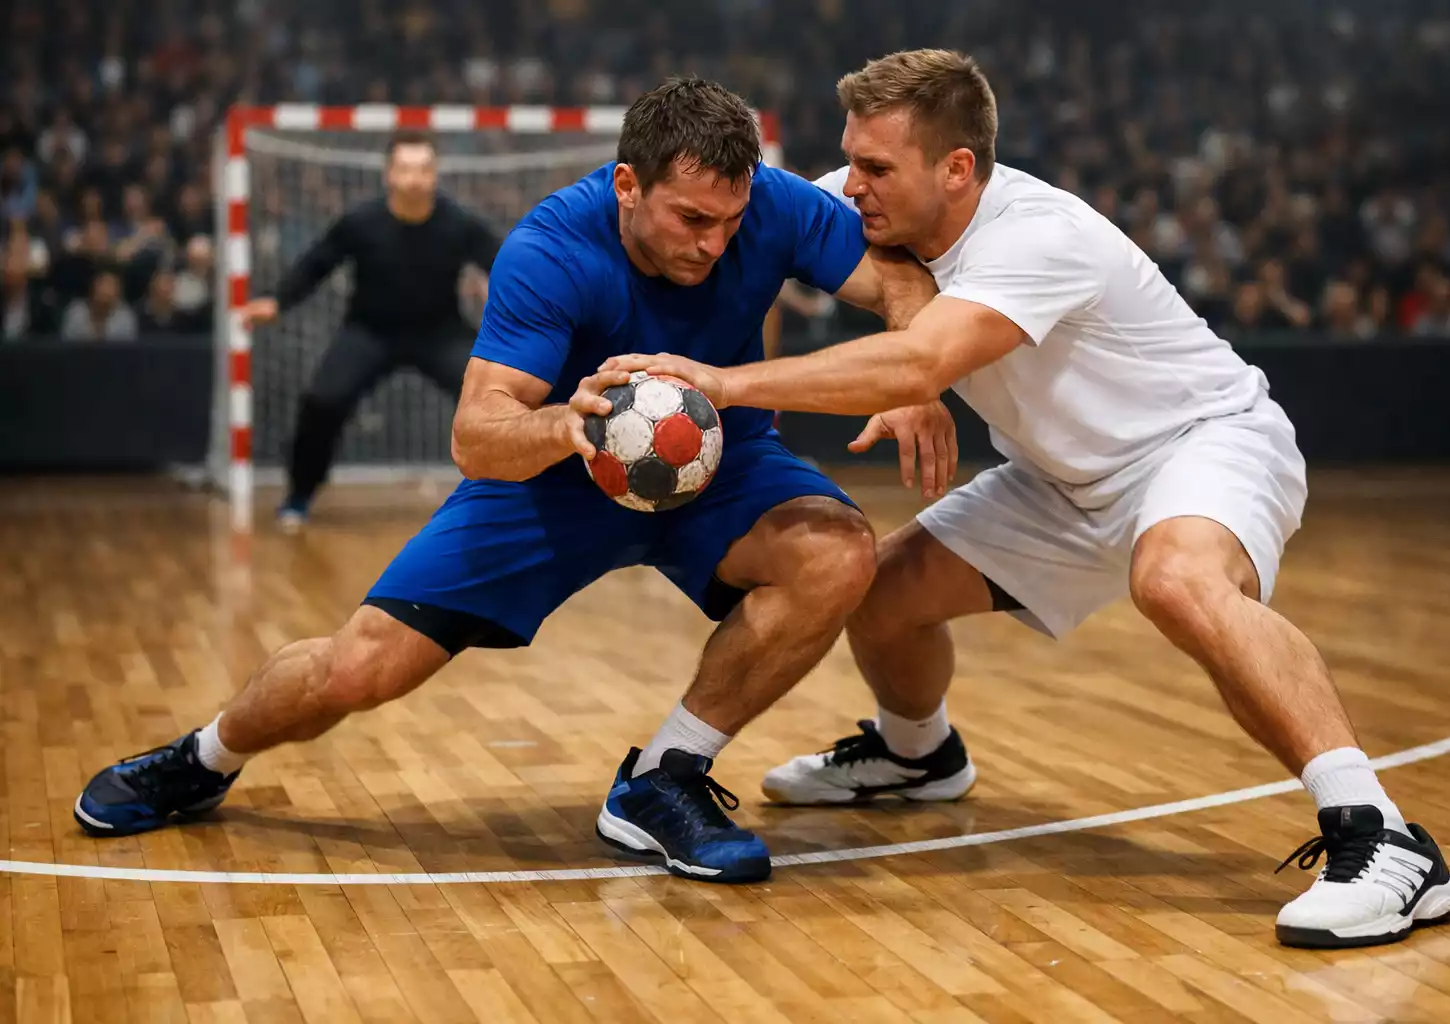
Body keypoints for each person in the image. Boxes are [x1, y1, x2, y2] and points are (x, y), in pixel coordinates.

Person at [603, 50, 1450, 948]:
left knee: (1174, 578)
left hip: (1203, 442)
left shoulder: (1038, 236)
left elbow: (928, 355)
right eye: (851, 159)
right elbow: (783, 249)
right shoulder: (863, 199)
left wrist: (726, 383)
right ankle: (917, 754)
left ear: (958, 169)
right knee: (882, 592)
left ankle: (1385, 840)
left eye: (877, 168)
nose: (851, 185)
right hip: (1062, 480)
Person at [71, 77, 950, 885]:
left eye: (729, 221)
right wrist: (560, 424)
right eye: (691, 220)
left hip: (720, 464)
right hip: (553, 473)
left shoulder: (774, 206)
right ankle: (202, 758)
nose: (715, 244)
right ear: (627, 186)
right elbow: (476, 435)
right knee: (360, 669)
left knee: (838, 553)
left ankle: (662, 779)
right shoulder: (547, 250)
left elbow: (900, 280)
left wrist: (916, 381)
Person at [240, 129, 505, 531]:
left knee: (496, 396)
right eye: (405, 169)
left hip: (440, 332)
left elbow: (507, 264)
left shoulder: (460, 223)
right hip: (369, 332)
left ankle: (508, 498)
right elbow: (318, 262)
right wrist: (278, 301)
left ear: (435, 174)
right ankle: (299, 494)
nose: (414, 178)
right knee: (322, 400)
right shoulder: (360, 222)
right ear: (389, 175)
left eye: (423, 169)